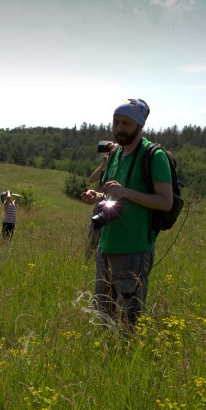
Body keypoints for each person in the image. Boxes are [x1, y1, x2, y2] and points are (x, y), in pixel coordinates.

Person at [79, 98, 173, 331]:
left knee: (130, 320)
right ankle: (108, 360)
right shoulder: (114, 155)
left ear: (140, 126)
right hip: (106, 247)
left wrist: (127, 192)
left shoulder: (153, 156)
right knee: (104, 316)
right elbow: (114, 197)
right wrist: (97, 197)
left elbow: (165, 202)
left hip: (133, 249)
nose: (119, 128)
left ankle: (128, 359)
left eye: (126, 124)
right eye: (116, 122)